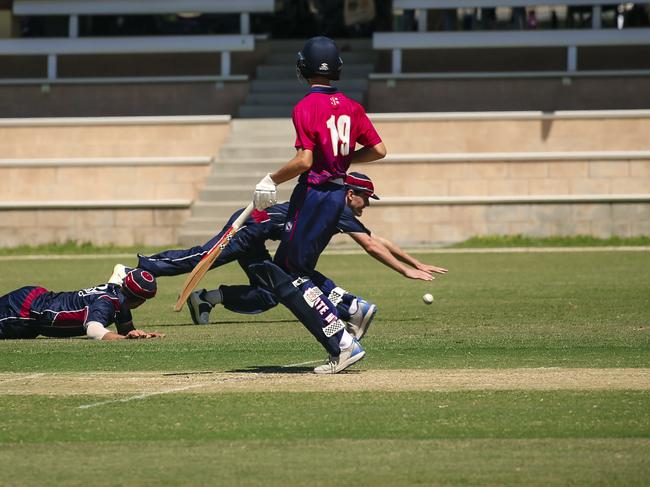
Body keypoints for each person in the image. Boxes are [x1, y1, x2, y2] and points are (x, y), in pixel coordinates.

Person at [110, 173, 447, 339]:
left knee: (270, 294)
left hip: (259, 234)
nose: (368, 205)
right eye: (367, 198)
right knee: (200, 257)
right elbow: (372, 247)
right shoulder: (339, 207)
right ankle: (135, 269)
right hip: (249, 228)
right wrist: (405, 273)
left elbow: (379, 239)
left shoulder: (341, 210)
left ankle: (206, 299)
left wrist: (415, 263)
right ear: (351, 194)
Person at [251, 36, 387, 374]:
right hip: (336, 195)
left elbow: (304, 160)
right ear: (336, 68)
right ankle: (352, 308)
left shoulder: (305, 106)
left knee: (287, 272)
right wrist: (341, 159)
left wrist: (271, 180)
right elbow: (379, 150)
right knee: (290, 265)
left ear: (303, 67)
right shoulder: (353, 107)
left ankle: (341, 343)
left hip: (314, 195)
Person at [0, 268, 164, 340]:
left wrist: (143, 335)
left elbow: (126, 332)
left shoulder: (118, 297)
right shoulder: (107, 302)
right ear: (141, 300)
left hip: (35, 308)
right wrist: (124, 340)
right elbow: (93, 330)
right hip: (24, 311)